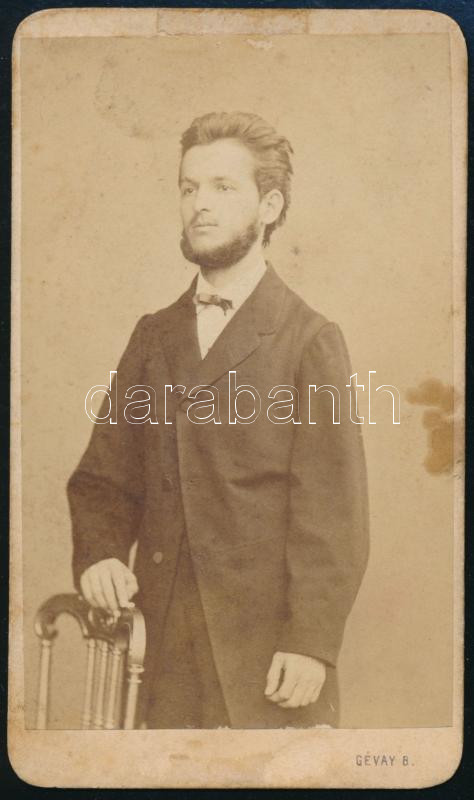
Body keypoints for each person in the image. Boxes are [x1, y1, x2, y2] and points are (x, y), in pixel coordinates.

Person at [67, 111, 369, 729]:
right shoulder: (154, 335)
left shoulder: (309, 339)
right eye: (189, 187)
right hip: (160, 650)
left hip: (267, 659)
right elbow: (103, 477)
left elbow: (334, 511)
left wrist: (311, 642)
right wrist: (100, 554)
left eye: (223, 187)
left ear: (269, 206)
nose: (199, 204)